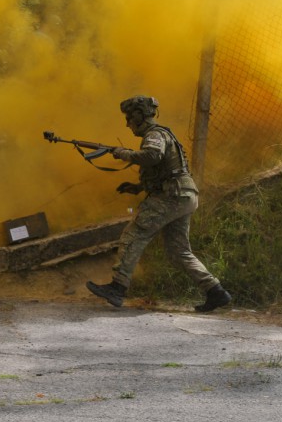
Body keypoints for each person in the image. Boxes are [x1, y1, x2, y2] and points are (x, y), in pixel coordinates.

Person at [86, 95, 231, 312]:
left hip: (171, 196)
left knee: (134, 235)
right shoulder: (162, 133)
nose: (127, 124)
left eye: (129, 118)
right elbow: (164, 169)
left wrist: (123, 153)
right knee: (178, 251)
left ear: (138, 116)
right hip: (184, 195)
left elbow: (153, 156)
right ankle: (215, 291)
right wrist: (137, 187)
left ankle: (117, 287)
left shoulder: (154, 135)